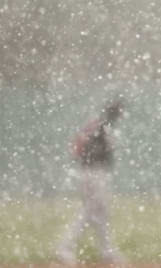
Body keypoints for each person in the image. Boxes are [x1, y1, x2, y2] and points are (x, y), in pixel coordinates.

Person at [57, 101, 125, 266]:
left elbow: (77, 147)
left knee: (100, 213)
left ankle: (107, 251)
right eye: (119, 112)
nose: (120, 116)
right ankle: (65, 247)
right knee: (90, 211)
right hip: (95, 173)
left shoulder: (96, 124)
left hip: (89, 171)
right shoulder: (104, 126)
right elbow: (85, 147)